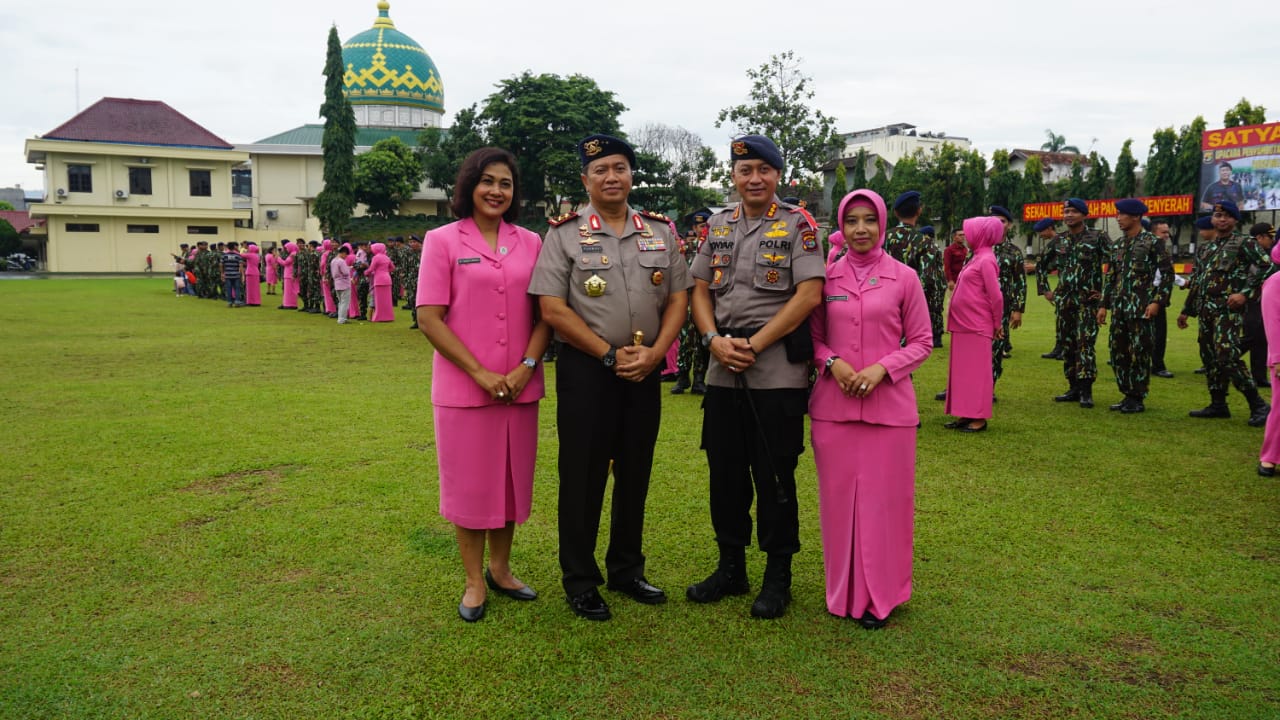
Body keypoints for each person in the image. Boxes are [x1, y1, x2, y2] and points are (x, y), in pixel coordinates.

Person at [529, 134, 690, 621]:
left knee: (635, 471)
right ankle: (580, 579)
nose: (611, 177)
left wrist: (656, 354)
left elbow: (678, 298)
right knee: (583, 474)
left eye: (619, 168)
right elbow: (551, 308)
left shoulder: (660, 232)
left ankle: (626, 568)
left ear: (631, 174)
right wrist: (606, 355)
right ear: (586, 179)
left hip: (644, 367)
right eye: (600, 170)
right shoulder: (563, 235)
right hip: (588, 370)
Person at [686, 134, 823, 620]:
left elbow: (809, 294)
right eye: (745, 170)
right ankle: (731, 568)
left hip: (776, 371)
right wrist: (712, 340)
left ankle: (777, 576)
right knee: (724, 473)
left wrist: (756, 344)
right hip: (723, 367)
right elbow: (698, 288)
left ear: (777, 174)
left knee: (774, 474)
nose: (755, 178)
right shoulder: (717, 224)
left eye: (764, 169)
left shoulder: (799, 224)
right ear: (734, 176)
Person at [418, 147, 551, 622]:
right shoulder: (442, 240)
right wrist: (479, 373)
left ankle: (501, 568)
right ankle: (474, 580)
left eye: (506, 183)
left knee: (510, 484)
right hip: (465, 391)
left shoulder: (531, 242)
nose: (496, 191)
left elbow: (546, 314)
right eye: (488, 181)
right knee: (471, 488)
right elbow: (429, 317)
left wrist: (526, 367)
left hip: (519, 389)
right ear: (470, 186)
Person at [809, 188, 931, 629]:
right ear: (842, 226)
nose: (860, 229)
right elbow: (814, 339)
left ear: (882, 224)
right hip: (833, 411)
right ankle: (842, 594)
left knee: (884, 507)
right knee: (838, 506)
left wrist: (883, 368)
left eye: (869, 220)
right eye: (852, 220)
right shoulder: (826, 279)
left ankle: (882, 597)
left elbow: (922, 341)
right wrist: (832, 362)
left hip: (889, 413)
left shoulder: (905, 277)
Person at [1179, 200, 1271, 426]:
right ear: (1212, 219)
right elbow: (1198, 280)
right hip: (1205, 310)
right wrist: (1186, 310)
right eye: (1218, 215)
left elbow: (1266, 266)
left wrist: (1245, 293)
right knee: (1209, 356)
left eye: (1227, 216)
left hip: (1227, 310)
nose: (1221, 219)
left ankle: (1258, 405)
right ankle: (1218, 404)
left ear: (1235, 220)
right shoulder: (1205, 248)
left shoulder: (1244, 243)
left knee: (1226, 354)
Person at [1096, 199, 1174, 413]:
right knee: (1117, 353)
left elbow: (1167, 274)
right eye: (1117, 214)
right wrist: (1103, 305)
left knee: (1140, 353)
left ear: (1136, 216)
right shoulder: (1118, 245)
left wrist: (1157, 301)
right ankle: (1127, 393)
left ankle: (1137, 397)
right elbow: (1111, 276)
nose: (1118, 218)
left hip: (1142, 309)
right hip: (1120, 308)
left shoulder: (1152, 242)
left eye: (1122, 214)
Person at [943, 216, 1004, 432]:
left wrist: (997, 323)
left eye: (970, 232)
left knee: (977, 374)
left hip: (976, 325)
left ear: (981, 234)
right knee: (963, 373)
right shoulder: (977, 256)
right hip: (964, 325)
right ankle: (965, 413)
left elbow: (996, 296)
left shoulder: (986, 259)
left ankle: (978, 418)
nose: (966, 236)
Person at [1049, 199, 1108, 409]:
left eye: (1074, 211)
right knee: (1068, 344)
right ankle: (1073, 387)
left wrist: (1104, 293)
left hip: (1087, 302)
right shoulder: (1059, 240)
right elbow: (1042, 265)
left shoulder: (1098, 237)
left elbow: (1116, 263)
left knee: (1085, 344)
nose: (1069, 215)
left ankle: (1086, 390)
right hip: (1065, 302)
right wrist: (1045, 290)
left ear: (1084, 214)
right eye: (1066, 211)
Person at [989, 206, 1026, 367]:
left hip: (1002, 304)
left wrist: (1018, 309)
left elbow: (1020, 282)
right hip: (979, 304)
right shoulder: (979, 248)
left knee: (997, 346)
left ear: (1009, 225)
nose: (997, 224)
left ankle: (991, 380)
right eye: (993, 221)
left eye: (1002, 221)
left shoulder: (1014, 252)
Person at [1243, 223, 1276, 387]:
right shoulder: (1247, 254)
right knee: (1251, 336)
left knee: (1262, 338)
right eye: (1270, 237)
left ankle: (1259, 376)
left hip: (1262, 300)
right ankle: (1220, 361)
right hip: (1249, 300)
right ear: (1259, 238)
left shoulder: (1267, 254)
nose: (1272, 240)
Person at [1257, 239, 1280, 477]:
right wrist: (1278, 358)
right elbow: (1273, 324)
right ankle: (1270, 457)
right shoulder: (1275, 282)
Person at [1034, 219, 1067, 360]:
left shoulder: (1066, 240)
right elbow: (1041, 265)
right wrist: (1045, 290)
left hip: (1080, 288)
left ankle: (1068, 350)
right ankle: (1059, 348)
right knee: (1061, 319)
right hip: (1063, 288)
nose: (1040, 235)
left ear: (1049, 228)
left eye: (1041, 231)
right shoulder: (1053, 244)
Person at [1149, 221, 1174, 378]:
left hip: (1156, 295)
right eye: (1163, 232)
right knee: (1157, 332)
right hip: (1149, 293)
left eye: (1167, 232)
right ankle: (1157, 365)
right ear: (1153, 233)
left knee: (1158, 332)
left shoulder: (1162, 249)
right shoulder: (1152, 248)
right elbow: (1161, 275)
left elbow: (1167, 274)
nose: (1167, 235)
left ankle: (1157, 364)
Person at [365, 242, 397, 322]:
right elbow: (393, 268)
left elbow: (371, 268)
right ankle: (388, 316)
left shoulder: (376, 257)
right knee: (387, 300)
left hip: (379, 279)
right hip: (387, 279)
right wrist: (386, 271)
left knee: (379, 300)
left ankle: (380, 316)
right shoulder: (387, 257)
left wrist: (366, 273)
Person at [219, 241, 245, 307]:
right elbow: (241, 266)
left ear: (227, 247)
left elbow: (221, 265)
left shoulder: (224, 255)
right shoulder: (238, 255)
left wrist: (222, 273)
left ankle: (229, 302)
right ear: (234, 247)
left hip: (227, 274)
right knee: (237, 288)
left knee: (228, 288)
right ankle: (237, 301)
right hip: (236, 274)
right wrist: (242, 275)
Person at [331, 245, 352, 324]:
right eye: (346, 254)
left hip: (337, 283)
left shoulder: (333, 260)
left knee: (340, 302)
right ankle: (342, 319)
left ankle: (341, 318)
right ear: (343, 253)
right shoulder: (341, 261)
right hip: (344, 283)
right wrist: (349, 268)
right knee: (344, 302)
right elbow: (345, 272)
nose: (346, 256)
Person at [278, 242, 299, 309]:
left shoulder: (293, 254)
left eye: (287, 248)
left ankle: (291, 304)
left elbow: (285, 263)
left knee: (290, 291)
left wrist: (278, 258)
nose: (286, 249)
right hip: (289, 274)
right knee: (288, 291)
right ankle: (287, 303)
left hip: (289, 274)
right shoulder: (293, 254)